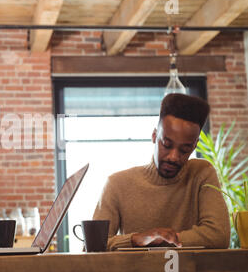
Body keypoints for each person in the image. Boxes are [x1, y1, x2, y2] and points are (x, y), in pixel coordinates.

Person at [93, 93, 230, 251]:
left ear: (194, 146)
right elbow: (94, 245)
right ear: (154, 136)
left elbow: (218, 236)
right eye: (166, 144)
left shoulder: (202, 173)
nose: (173, 157)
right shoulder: (117, 184)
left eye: (184, 150)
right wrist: (136, 239)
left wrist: (160, 240)